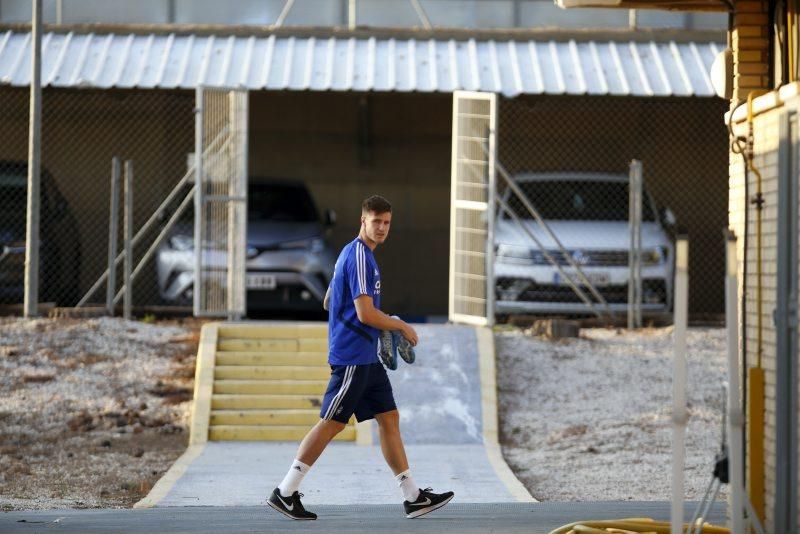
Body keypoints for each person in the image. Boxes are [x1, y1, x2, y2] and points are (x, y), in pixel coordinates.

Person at [267, 195, 454, 520]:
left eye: (387, 223)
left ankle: (413, 497)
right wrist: (397, 325)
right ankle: (285, 491)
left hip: (367, 358)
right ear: (362, 221)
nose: (381, 228)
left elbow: (334, 300)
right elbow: (364, 313)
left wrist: (377, 321)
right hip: (352, 356)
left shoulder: (354, 254)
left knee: (389, 418)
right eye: (376, 221)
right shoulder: (360, 257)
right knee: (331, 423)